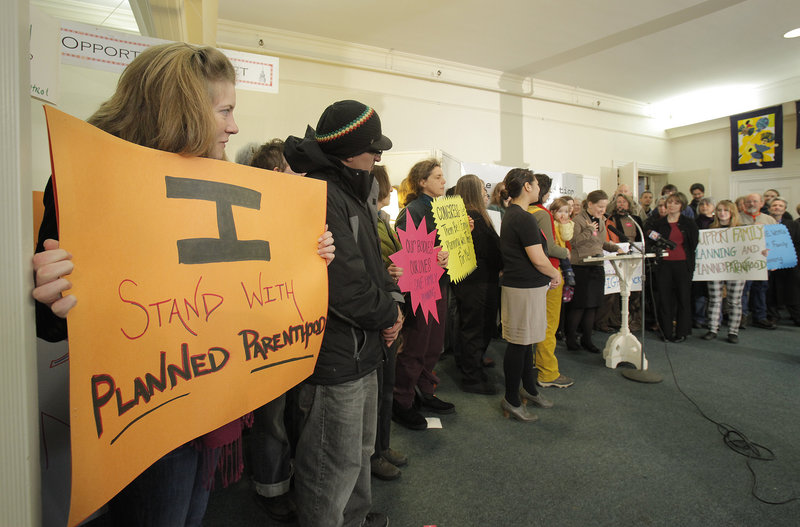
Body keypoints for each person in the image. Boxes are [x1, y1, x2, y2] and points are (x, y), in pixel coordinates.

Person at [31, 42, 335, 527]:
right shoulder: (86, 181)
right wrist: (51, 296)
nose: (235, 127)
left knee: (192, 514)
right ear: (183, 111)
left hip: (209, 397)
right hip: (148, 406)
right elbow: (50, 326)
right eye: (226, 110)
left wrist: (307, 253)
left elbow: (245, 281)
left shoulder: (224, 183)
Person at [283, 99, 402, 527]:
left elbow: (367, 267)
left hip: (361, 348)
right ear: (350, 151)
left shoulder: (350, 191)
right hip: (337, 356)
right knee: (329, 466)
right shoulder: (322, 194)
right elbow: (344, 286)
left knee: (358, 454)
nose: (378, 158)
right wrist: (389, 314)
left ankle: (355, 518)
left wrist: (389, 303)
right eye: (374, 150)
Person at [392, 159, 453, 430]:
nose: (443, 181)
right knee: (416, 345)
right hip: (420, 288)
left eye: (443, 176)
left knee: (433, 344)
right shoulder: (412, 211)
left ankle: (425, 391)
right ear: (422, 181)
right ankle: (402, 401)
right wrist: (436, 256)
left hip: (438, 284)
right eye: (437, 176)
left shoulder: (441, 209)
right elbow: (408, 256)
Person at [497, 168, 559, 421]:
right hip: (523, 288)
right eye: (535, 183)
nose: (539, 188)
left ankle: (528, 390)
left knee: (526, 343)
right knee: (519, 344)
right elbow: (538, 258)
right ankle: (512, 399)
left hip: (526, 286)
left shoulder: (515, 214)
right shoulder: (522, 217)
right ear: (527, 187)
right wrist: (553, 274)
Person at [369, 165, 409, 481]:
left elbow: (392, 262)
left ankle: (382, 446)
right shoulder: (374, 222)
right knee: (379, 389)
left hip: (390, 308)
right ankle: (375, 452)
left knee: (386, 388)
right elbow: (380, 265)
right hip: (380, 312)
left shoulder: (383, 221)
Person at [452, 174, 503, 394]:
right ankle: (472, 377)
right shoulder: (475, 217)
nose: (486, 193)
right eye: (482, 189)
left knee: (473, 326)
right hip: (478, 282)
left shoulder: (467, 216)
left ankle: (472, 366)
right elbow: (491, 251)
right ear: (474, 191)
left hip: (472, 281)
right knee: (476, 327)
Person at [527, 174, 574, 388]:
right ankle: (548, 372)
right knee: (548, 324)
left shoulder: (522, 211)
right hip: (550, 272)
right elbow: (550, 248)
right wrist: (565, 252)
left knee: (538, 323)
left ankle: (540, 364)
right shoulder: (542, 213)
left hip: (533, 276)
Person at [565, 190, 622, 353]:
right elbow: (572, 242)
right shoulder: (578, 220)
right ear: (590, 204)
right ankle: (571, 338)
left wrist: (615, 247)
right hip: (581, 266)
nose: (602, 210)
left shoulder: (601, 221)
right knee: (579, 306)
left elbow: (601, 242)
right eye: (599, 206)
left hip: (597, 265)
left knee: (593, 306)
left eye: (604, 207)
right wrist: (589, 230)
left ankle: (587, 339)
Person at [648, 192, 699, 342]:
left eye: (675, 203)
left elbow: (693, 244)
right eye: (669, 202)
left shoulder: (689, 223)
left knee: (683, 298)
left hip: (683, 265)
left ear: (681, 205)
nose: (671, 205)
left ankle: (682, 332)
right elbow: (652, 241)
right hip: (664, 265)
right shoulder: (659, 224)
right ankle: (666, 331)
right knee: (664, 299)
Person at [598, 193, 643, 334]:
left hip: (634, 256)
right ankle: (614, 321)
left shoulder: (635, 219)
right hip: (616, 254)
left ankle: (634, 321)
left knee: (634, 291)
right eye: (618, 202)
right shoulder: (610, 220)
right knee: (614, 292)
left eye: (623, 202)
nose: (621, 204)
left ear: (629, 204)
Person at [702, 200, 745, 343]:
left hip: (736, 268)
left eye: (725, 210)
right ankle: (713, 328)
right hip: (715, 268)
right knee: (714, 299)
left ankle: (733, 331)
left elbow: (750, 250)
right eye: (719, 210)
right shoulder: (710, 229)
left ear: (732, 212)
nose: (722, 213)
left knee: (734, 301)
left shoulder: (742, 230)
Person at [739, 193, 777, 330]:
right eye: (748, 202)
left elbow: (776, 242)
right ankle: (741, 317)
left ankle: (760, 317)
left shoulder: (769, 220)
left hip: (763, 262)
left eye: (755, 201)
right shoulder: (737, 218)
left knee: (761, 289)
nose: (751, 204)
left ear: (761, 203)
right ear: (743, 204)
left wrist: (774, 261)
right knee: (743, 290)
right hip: (743, 261)